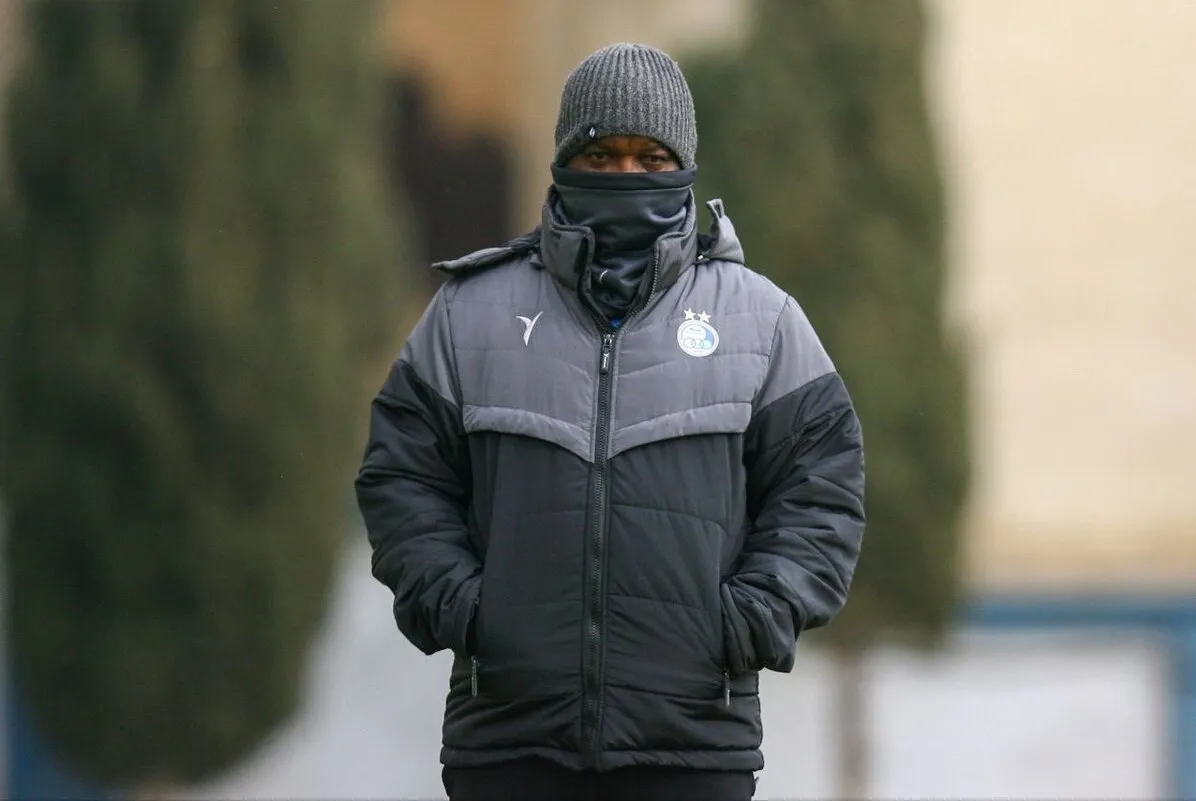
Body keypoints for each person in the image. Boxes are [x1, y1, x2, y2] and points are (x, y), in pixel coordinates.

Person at [355, 42, 866, 801]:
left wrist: (747, 621)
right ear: (565, 163)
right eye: (602, 155)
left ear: (684, 167)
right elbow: (402, 475)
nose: (627, 175)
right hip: (508, 745)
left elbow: (823, 490)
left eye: (651, 158)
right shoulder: (471, 313)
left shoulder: (761, 321)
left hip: (693, 749)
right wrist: (466, 609)